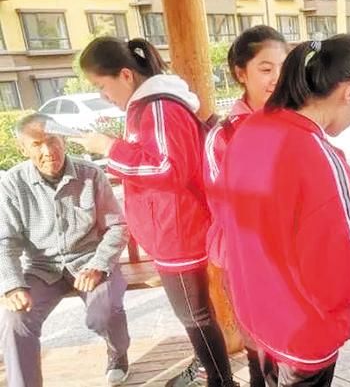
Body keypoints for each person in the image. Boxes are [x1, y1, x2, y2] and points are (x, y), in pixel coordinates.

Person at [69, 37, 236, 387]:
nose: (103, 95)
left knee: (195, 316)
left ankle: (220, 380)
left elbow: (168, 167)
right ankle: (212, 373)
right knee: (195, 314)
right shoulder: (148, 105)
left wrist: (110, 147)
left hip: (178, 232)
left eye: (101, 85)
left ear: (125, 75)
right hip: (171, 229)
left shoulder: (158, 107)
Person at [217, 35, 350, 387]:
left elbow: (230, 216)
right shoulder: (320, 156)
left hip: (260, 313)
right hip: (304, 328)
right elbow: (338, 272)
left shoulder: (249, 129)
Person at [0, 113, 130, 387]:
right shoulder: (12, 183)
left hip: (90, 262)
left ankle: (117, 353)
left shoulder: (90, 174)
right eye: (37, 144)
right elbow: (5, 241)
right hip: (41, 268)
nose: (48, 151)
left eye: (53, 141)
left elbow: (117, 227)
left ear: (64, 141)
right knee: (15, 319)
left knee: (103, 312)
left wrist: (98, 265)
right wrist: (12, 286)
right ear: (23, 149)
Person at [203, 25, 287, 386]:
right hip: (248, 258)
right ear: (241, 73)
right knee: (260, 349)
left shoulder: (296, 122)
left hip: (291, 255)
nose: (277, 78)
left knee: (291, 349)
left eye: (283, 67)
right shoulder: (224, 136)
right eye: (266, 69)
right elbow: (227, 208)